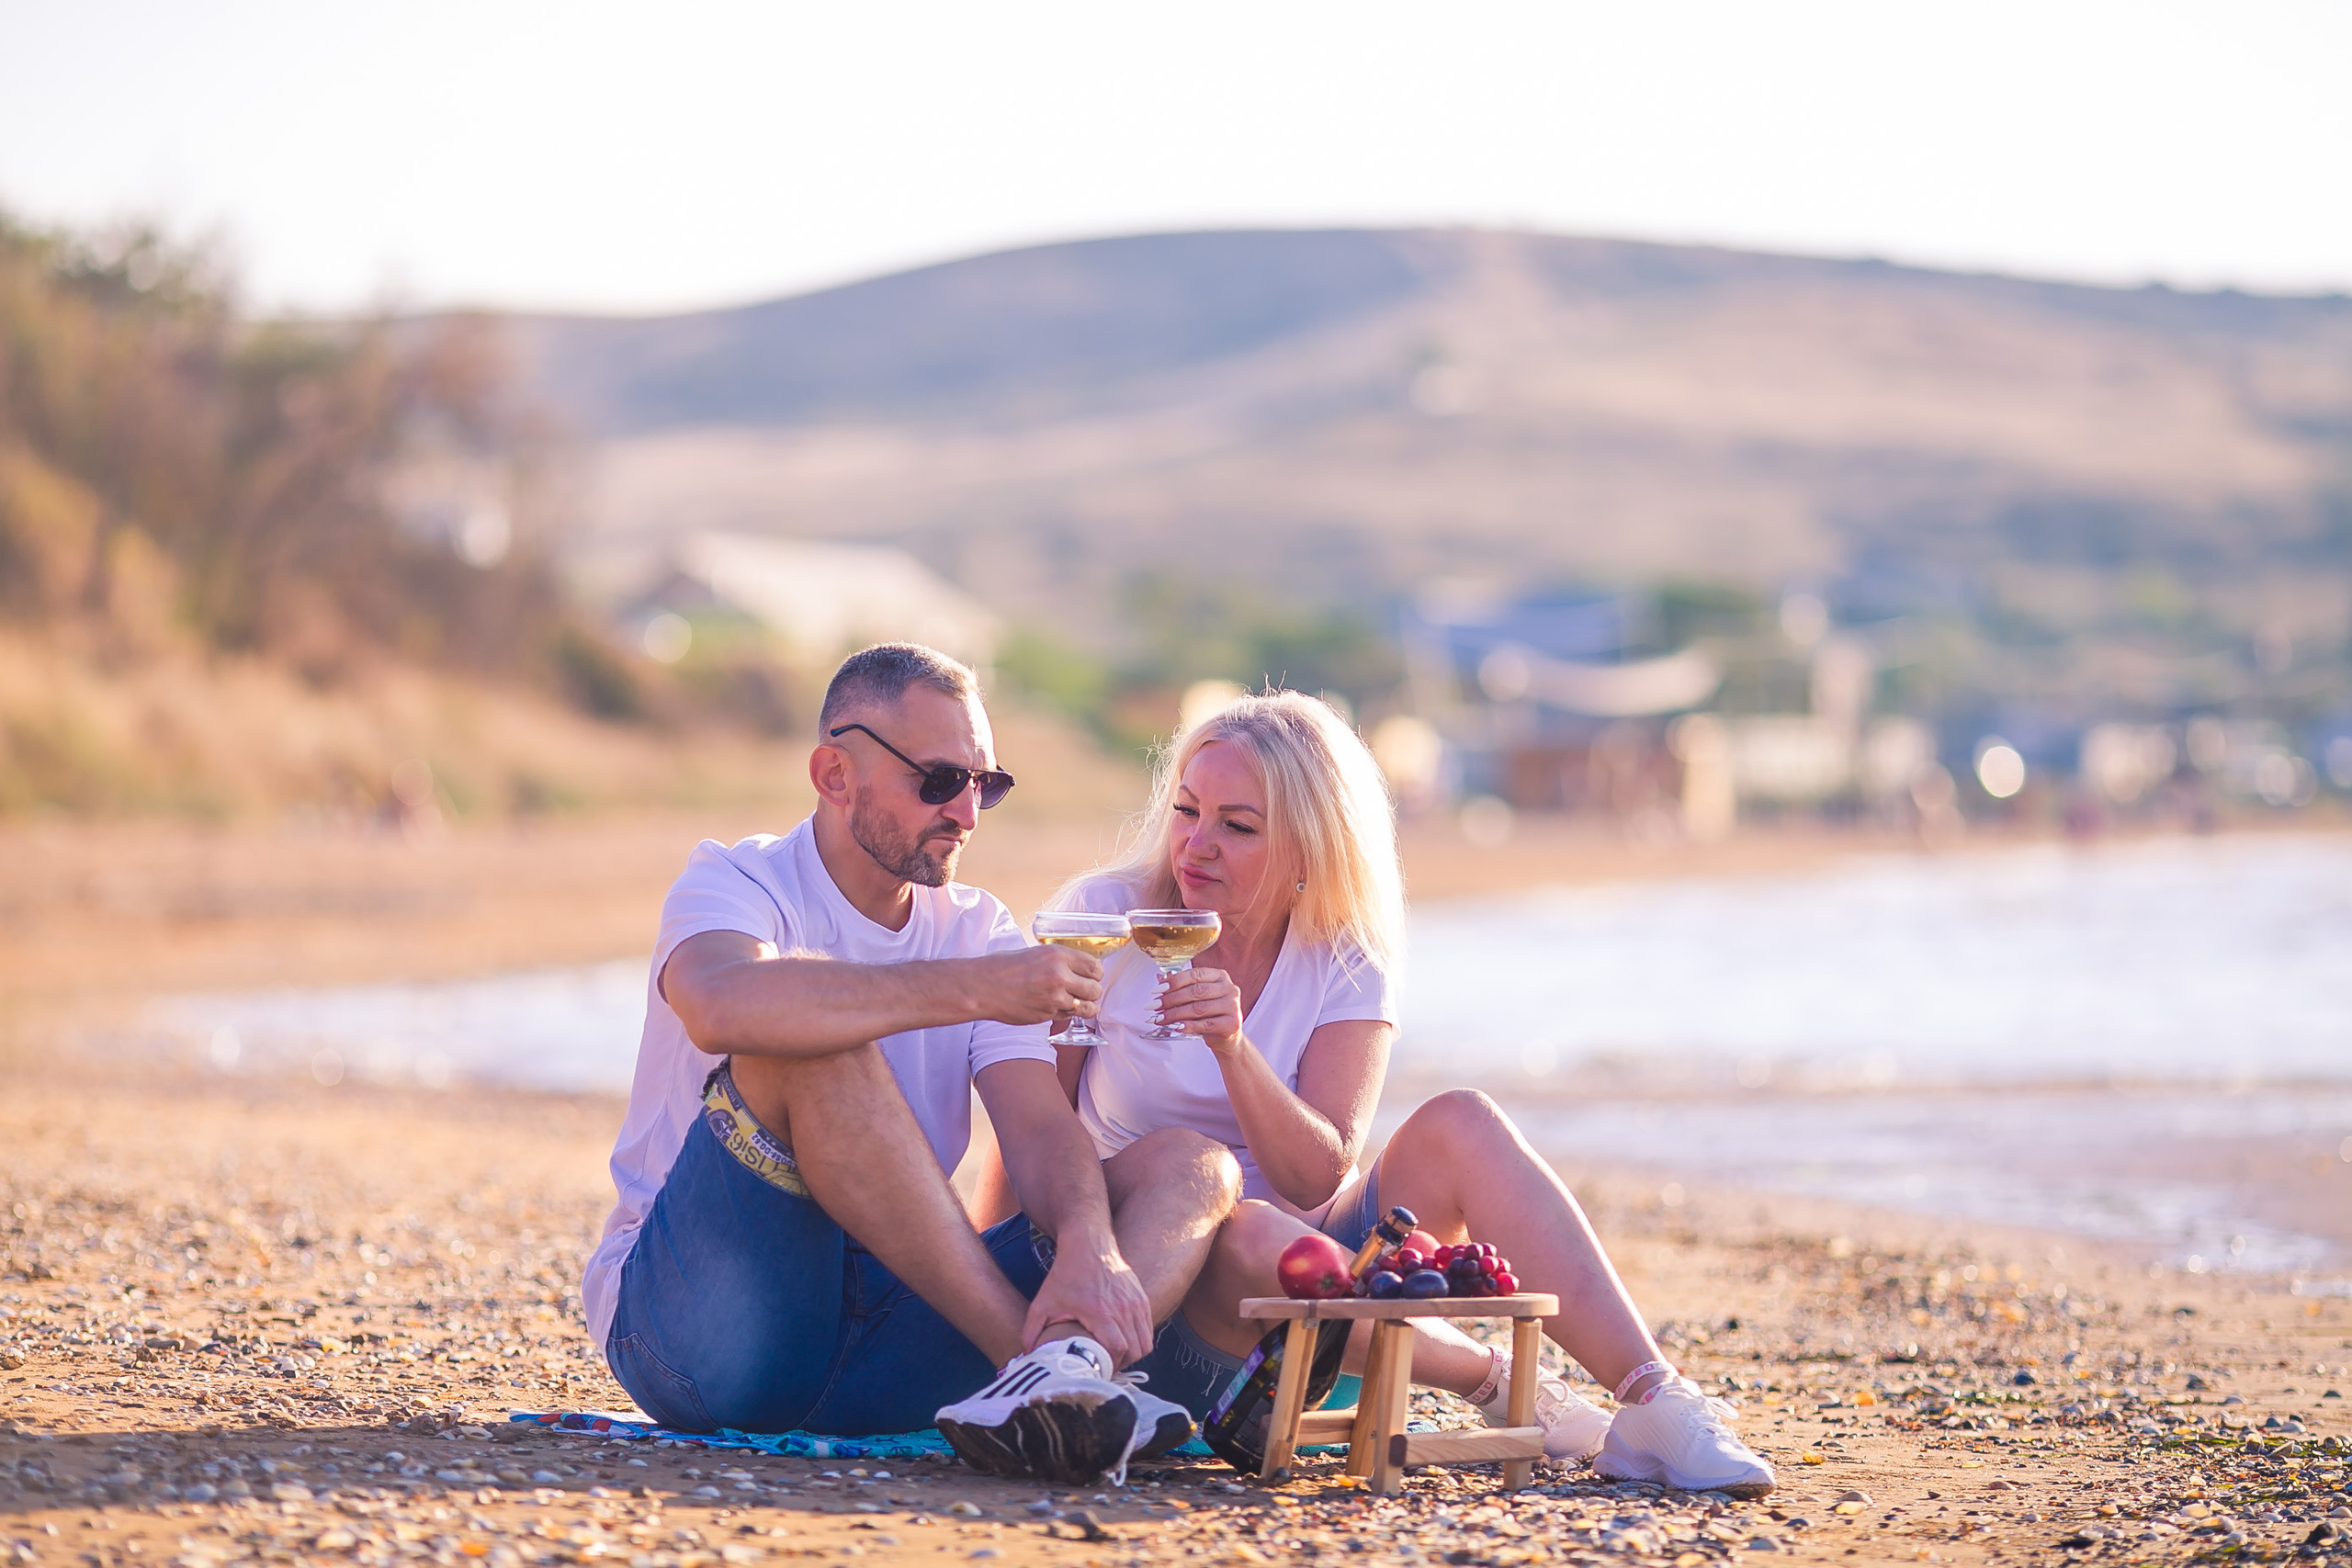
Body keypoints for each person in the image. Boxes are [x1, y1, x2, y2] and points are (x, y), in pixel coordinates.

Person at [1043, 691, 1776, 1495]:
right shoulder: (1104, 917)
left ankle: (1655, 1399)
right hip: (1164, 1271)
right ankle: (1492, 1377)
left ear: (1310, 847)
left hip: (1325, 1268)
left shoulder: (1343, 952)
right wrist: (1009, 1299)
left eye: (1238, 825)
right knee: (1250, 1228)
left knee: (1464, 1121)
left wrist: (1233, 1047)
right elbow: (1038, 1124)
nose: (1197, 843)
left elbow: (1315, 1176)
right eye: (1187, 810)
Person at [580, 643, 1240, 1486]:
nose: (967, 813)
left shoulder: (977, 925)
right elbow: (720, 1004)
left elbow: (1040, 1128)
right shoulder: (736, 880)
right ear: (834, 774)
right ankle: (1032, 1371)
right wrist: (973, 988)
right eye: (940, 780)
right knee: (811, 1035)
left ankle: (1067, 1370)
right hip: (701, 1331)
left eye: (984, 785)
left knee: (1194, 1166)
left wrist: (1088, 1242)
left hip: (893, 1327)